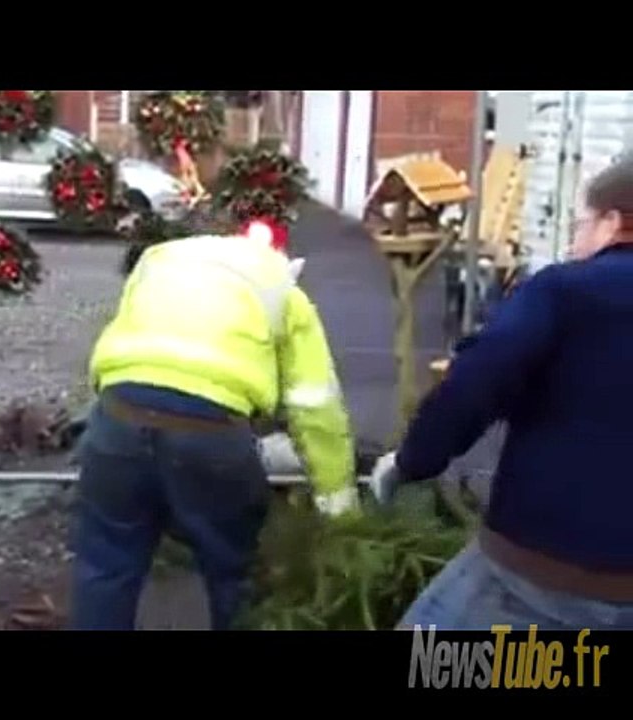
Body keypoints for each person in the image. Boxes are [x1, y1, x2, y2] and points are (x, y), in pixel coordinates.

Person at [366, 158, 633, 630]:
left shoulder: (566, 291)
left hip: (541, 569)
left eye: (581, 226)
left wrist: (411, 462)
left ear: (613, 222)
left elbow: (477, 381)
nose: (574, 243)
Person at [69, 222, 356, 631]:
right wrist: (339, 503)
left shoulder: (160, 259)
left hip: (118, 416)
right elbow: (314, 405)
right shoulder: (283, 292)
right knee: (233, 572)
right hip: (210, 432)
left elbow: (130, 340)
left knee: (106, 563)